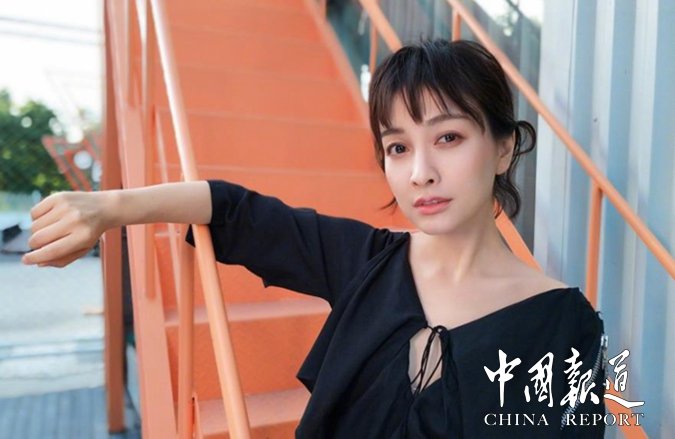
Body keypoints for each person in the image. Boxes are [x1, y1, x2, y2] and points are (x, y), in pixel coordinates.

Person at [22, 39, 606, 437]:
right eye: (397, 147)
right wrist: (108, 207)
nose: (419, 172)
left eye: (448, 138)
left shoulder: (564, 326)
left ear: (504, 147)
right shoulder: (366, 261)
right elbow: (234, 210)